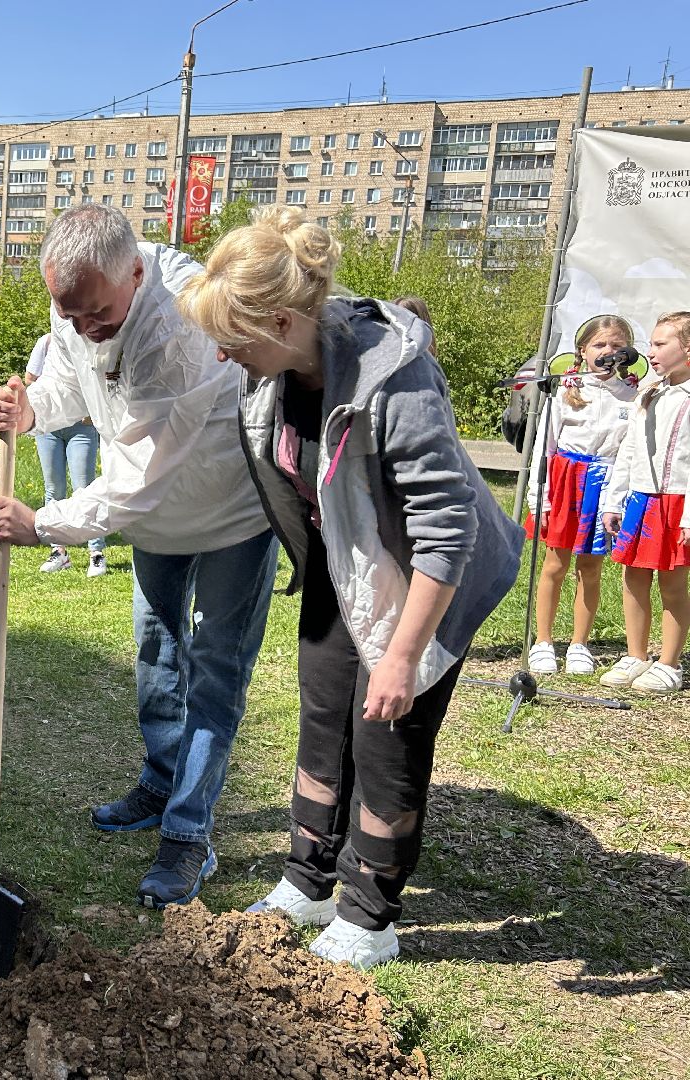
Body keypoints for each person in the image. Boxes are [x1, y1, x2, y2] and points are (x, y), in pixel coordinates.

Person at [178, 206, 521, 968]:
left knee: (386, 736)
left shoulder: (391, 376)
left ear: (278, 319)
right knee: (324, 713)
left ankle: (371, 915)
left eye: (231, 339)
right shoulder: (271, 374)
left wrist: (402, 656)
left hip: (432, 575)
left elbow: (445, 527)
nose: (224, 355)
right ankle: (310, 880)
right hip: (348, 566)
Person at [0, 205, 276, 909]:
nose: (85, 328)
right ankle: (160, 777)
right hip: (153, 522)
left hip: (228, 511)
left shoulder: (182, 325)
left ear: (138, 275)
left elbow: (139, 478)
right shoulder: (84, 296)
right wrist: (32, 412)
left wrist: (45, 524)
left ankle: (187, 834)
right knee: (155, 651)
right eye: (70, 314)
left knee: (213, 672)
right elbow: (77, 384)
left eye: (98, 315)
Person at [525, 316, 638, 676]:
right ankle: (543, 641)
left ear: (629, 352)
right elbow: (544, 446)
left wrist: (615, 501)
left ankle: (579, 643)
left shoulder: (632, 398)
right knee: (555, 564)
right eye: (600, 345)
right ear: (583, 351)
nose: (609, 352)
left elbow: (626, 453)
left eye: (617, 346)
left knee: (589, 568)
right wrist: (537, 497)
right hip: (565, 482)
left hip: (604, 484)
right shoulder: (566, 391)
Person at [601, 312, 690, 694]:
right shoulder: (650, 392)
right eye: (651, 344)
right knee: (633, 575)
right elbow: (630, 450)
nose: (649, 352)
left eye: (660, 344)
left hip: (677, 501)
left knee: (672, 584)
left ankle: (669, 662)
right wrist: (614, 500)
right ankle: (636, 654)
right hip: (642, 498)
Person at [23, 332, 107, 578]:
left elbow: (101, 382)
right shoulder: (46, 342)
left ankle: (96, 552)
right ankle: (59, 551)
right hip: (49, 429)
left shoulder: (93, 340)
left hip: (81, 427)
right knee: (53, 489)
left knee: (85, 487)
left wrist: (93, 412)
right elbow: (30, 377)